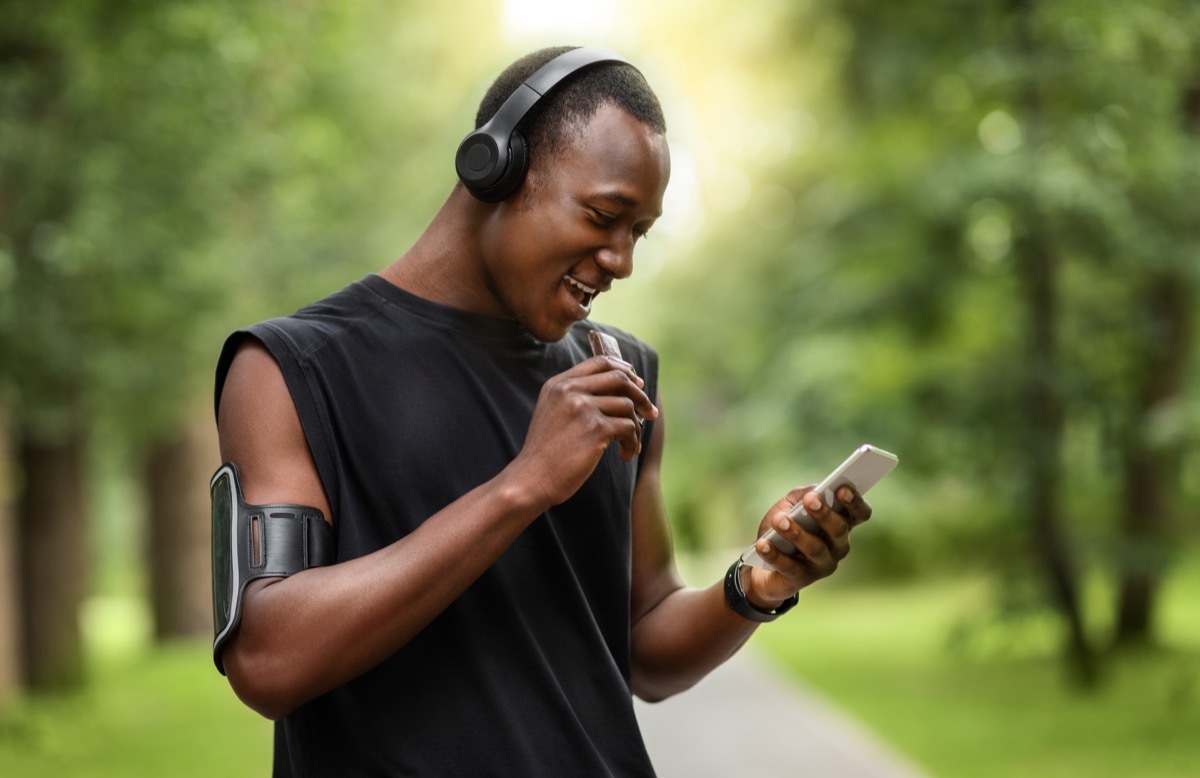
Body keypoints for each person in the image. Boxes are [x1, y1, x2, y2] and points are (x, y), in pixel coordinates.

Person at [212, 45, 873, 777]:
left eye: (639, 233)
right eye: (603, 215)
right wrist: (522, 485)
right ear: (494, 167)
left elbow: (645, 645)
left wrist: (756, 583)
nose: (621, 260)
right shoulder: (290, 371)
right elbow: (267, 659)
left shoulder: (622, 378)